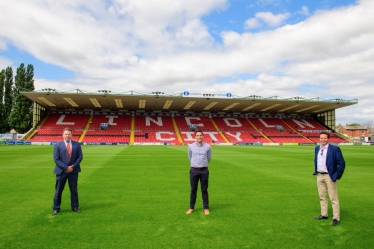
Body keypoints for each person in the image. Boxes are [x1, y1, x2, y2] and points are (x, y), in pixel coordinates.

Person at [313, 131, 345, 226]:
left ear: (328, 138)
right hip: (319, 175)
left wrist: (336, 175)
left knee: (333, 198)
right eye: (321, 138)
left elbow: (342, 163)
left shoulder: (335, 149)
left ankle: (336, 218)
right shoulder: (317, 148)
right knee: (322, 196)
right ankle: (324, 214)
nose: (323, 140)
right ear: (319, 138)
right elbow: (317, 160)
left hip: (329, 176)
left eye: (325, 138)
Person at [52, 127, 83, 215]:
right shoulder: (57, 145)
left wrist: (72, 166)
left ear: (71, 135)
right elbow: (56, 159)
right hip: (61, 171)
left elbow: (80, 157)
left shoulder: (77, 144)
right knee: (58, 190)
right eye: (66, 134)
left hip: (73, 171)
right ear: (63, 135)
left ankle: (75, 207)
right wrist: (66, 167)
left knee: (74, 190)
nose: (67, 136)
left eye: (69, 134)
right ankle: (56, 208)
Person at [186, 130, 212, 215]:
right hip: (194, 170)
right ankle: (191, 207)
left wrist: (202, 164)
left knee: (204, 190)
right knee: (193, 190)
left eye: (200, 135)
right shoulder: (191, 147)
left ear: (203, 136)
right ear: (195, 137)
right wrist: (195, 164)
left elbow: (209, 158)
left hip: (204, 170)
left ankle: (206, 208)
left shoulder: (208, 146)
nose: (199, 137)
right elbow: (190, 157)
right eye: (197, 135)